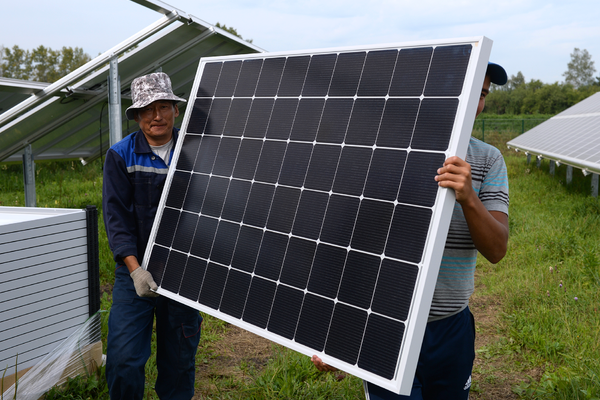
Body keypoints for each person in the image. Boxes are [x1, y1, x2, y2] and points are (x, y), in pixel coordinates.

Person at [312, 62, 510, 400]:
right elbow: (342, 246)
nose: (476, 103)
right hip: (383, 326)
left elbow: (496, 250)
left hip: (452, 328)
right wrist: (335, 333)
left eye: (483, 95)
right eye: (471, 91)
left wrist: (468, 198)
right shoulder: (379, 154)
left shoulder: (488, 160)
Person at [103, 72, 202, 400]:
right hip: (136, 271)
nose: (156, 116)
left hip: (183, 271)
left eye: (163, 106)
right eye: (147, 109)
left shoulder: (196, 153)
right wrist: (135, 270)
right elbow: (116, 220)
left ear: (176, 110)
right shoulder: (121, 156)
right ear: (137, 116)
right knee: (124, 359)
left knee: (178, 361)